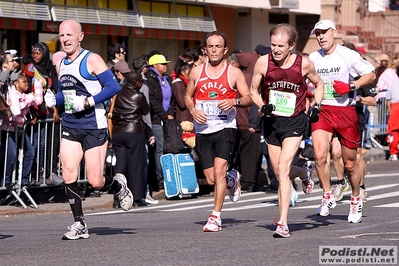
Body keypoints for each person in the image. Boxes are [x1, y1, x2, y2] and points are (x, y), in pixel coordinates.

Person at [44, 20, 133, 240]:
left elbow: (113, 87)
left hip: (94, 125)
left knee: (96, 182)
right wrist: (51, 99)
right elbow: (65, 96)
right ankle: (79, 223)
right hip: (71, 125)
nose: (65, 39)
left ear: (80, 36)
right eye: (62, 35)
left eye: (69, 35)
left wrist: (89, 102)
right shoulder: (61, 64)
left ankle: (118, 185)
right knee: (68, 172)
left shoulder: (92, 59)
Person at [250, 23, 324, 238]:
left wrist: (316, 106)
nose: (276, 49)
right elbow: (253, 90)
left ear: (292, 45)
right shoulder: (263, 62)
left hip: (295, 120)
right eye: (273, 44)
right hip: (272, 122)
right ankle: (303, 172)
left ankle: (282, 222)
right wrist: (261, 105)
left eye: (281, 45)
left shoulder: (304, 64)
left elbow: (319, 85)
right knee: (280, 171)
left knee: (283, 168)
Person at [308, 19, 375, 224]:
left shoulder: (348, 55)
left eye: (324, 32)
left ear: (333, 32)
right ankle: (327, 195)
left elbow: (370, 74)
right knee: (320, 155)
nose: (320, 37)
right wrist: (310, 95)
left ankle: (355, 198)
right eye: (317, 34)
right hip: (323, 110)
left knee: (350, 163)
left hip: (345, 111)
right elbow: (308, 82)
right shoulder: (313, 58)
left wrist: (351, 86)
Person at [184, 31, 252, 232]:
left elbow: (248, 98)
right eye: (210, 47)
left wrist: (234, 101)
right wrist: (193, 110)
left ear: (225, 50)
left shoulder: (233, 73)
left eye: (218, 46)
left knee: (219, 171)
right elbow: (188, 96)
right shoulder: (196, 71)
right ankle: (232, 178)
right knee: (212, 178)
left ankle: (215, 217)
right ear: (205, 50)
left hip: (225, 128)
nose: (214, 50)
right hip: (203, 130)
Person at [331, 41, 377, 202]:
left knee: (356, 157)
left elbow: (373, 100)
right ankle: (340, 182)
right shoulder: (334, 73)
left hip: (356, 120)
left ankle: (361, 187)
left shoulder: (360, 76)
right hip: (335, 117)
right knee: (336, 152)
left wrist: (358, 98)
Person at [24, 42, 62, 185]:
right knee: (34, 145)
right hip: (34, 112)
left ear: (44, 54)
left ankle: (41, 173)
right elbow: (27, 91)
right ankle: (30, 175)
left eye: (38, 53)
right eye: (33, 53)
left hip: (45, 111)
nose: (35, 56)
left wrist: (54, 110)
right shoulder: (30, 68)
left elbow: (49, 93)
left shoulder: (48, 69)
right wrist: (32, 113)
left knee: (43, 145)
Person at [112, 71, 151, 208]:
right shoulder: (138, 95)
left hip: (118, 132)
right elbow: (146, 110)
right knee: (135, 164)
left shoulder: (118, 93)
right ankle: (136, 197)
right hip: (134, 131)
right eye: (141, 81)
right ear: (137, 82)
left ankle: (117, 197)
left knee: (120, 165)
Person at [0, 74, 42, 187]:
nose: (27, 84)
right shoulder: (11, 95)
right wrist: (28, 99)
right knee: (11, 154)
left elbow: (37, 101)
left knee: (30, 153)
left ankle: (23, 179)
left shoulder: (25, 96)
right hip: (9, 129)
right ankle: (5, 180)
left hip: (20, 130)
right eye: (24, 82)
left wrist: (38, 85)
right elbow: (16, 108)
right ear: (16, 83)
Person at [145, 53, 174, 191]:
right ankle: (159, 179)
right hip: (155, 118)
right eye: (163, 64)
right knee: (158, 149)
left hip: (166, 118)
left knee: (165, 148)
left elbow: (171, 98)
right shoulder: (150, 79)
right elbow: (152, 100)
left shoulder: (167, 78)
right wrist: (163, 115)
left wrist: (170, 113)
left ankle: (166, 177)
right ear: (155, 65)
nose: (166, 66)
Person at [132, 54, 157, 204]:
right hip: (140, 128)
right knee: (143, 161)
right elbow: (146, 112)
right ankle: (144, 192)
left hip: (125, 128)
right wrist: (150, 132)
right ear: (143, 68)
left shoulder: (124, 83)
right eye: (147, 66)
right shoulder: (144, 86)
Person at [172, 54, 194, 122]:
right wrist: (190, 97)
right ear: (183, 70)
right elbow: (182, 104)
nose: (193, 68)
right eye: (191, 66)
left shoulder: (191, 82)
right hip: (184, 120)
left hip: (192, 118)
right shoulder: (177, 83)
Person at [386, 78, 399, 160]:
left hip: (395, 107)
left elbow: (388, 99)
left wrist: (390, 111)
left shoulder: (393, 84)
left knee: (394, 131)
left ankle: (393, 153)